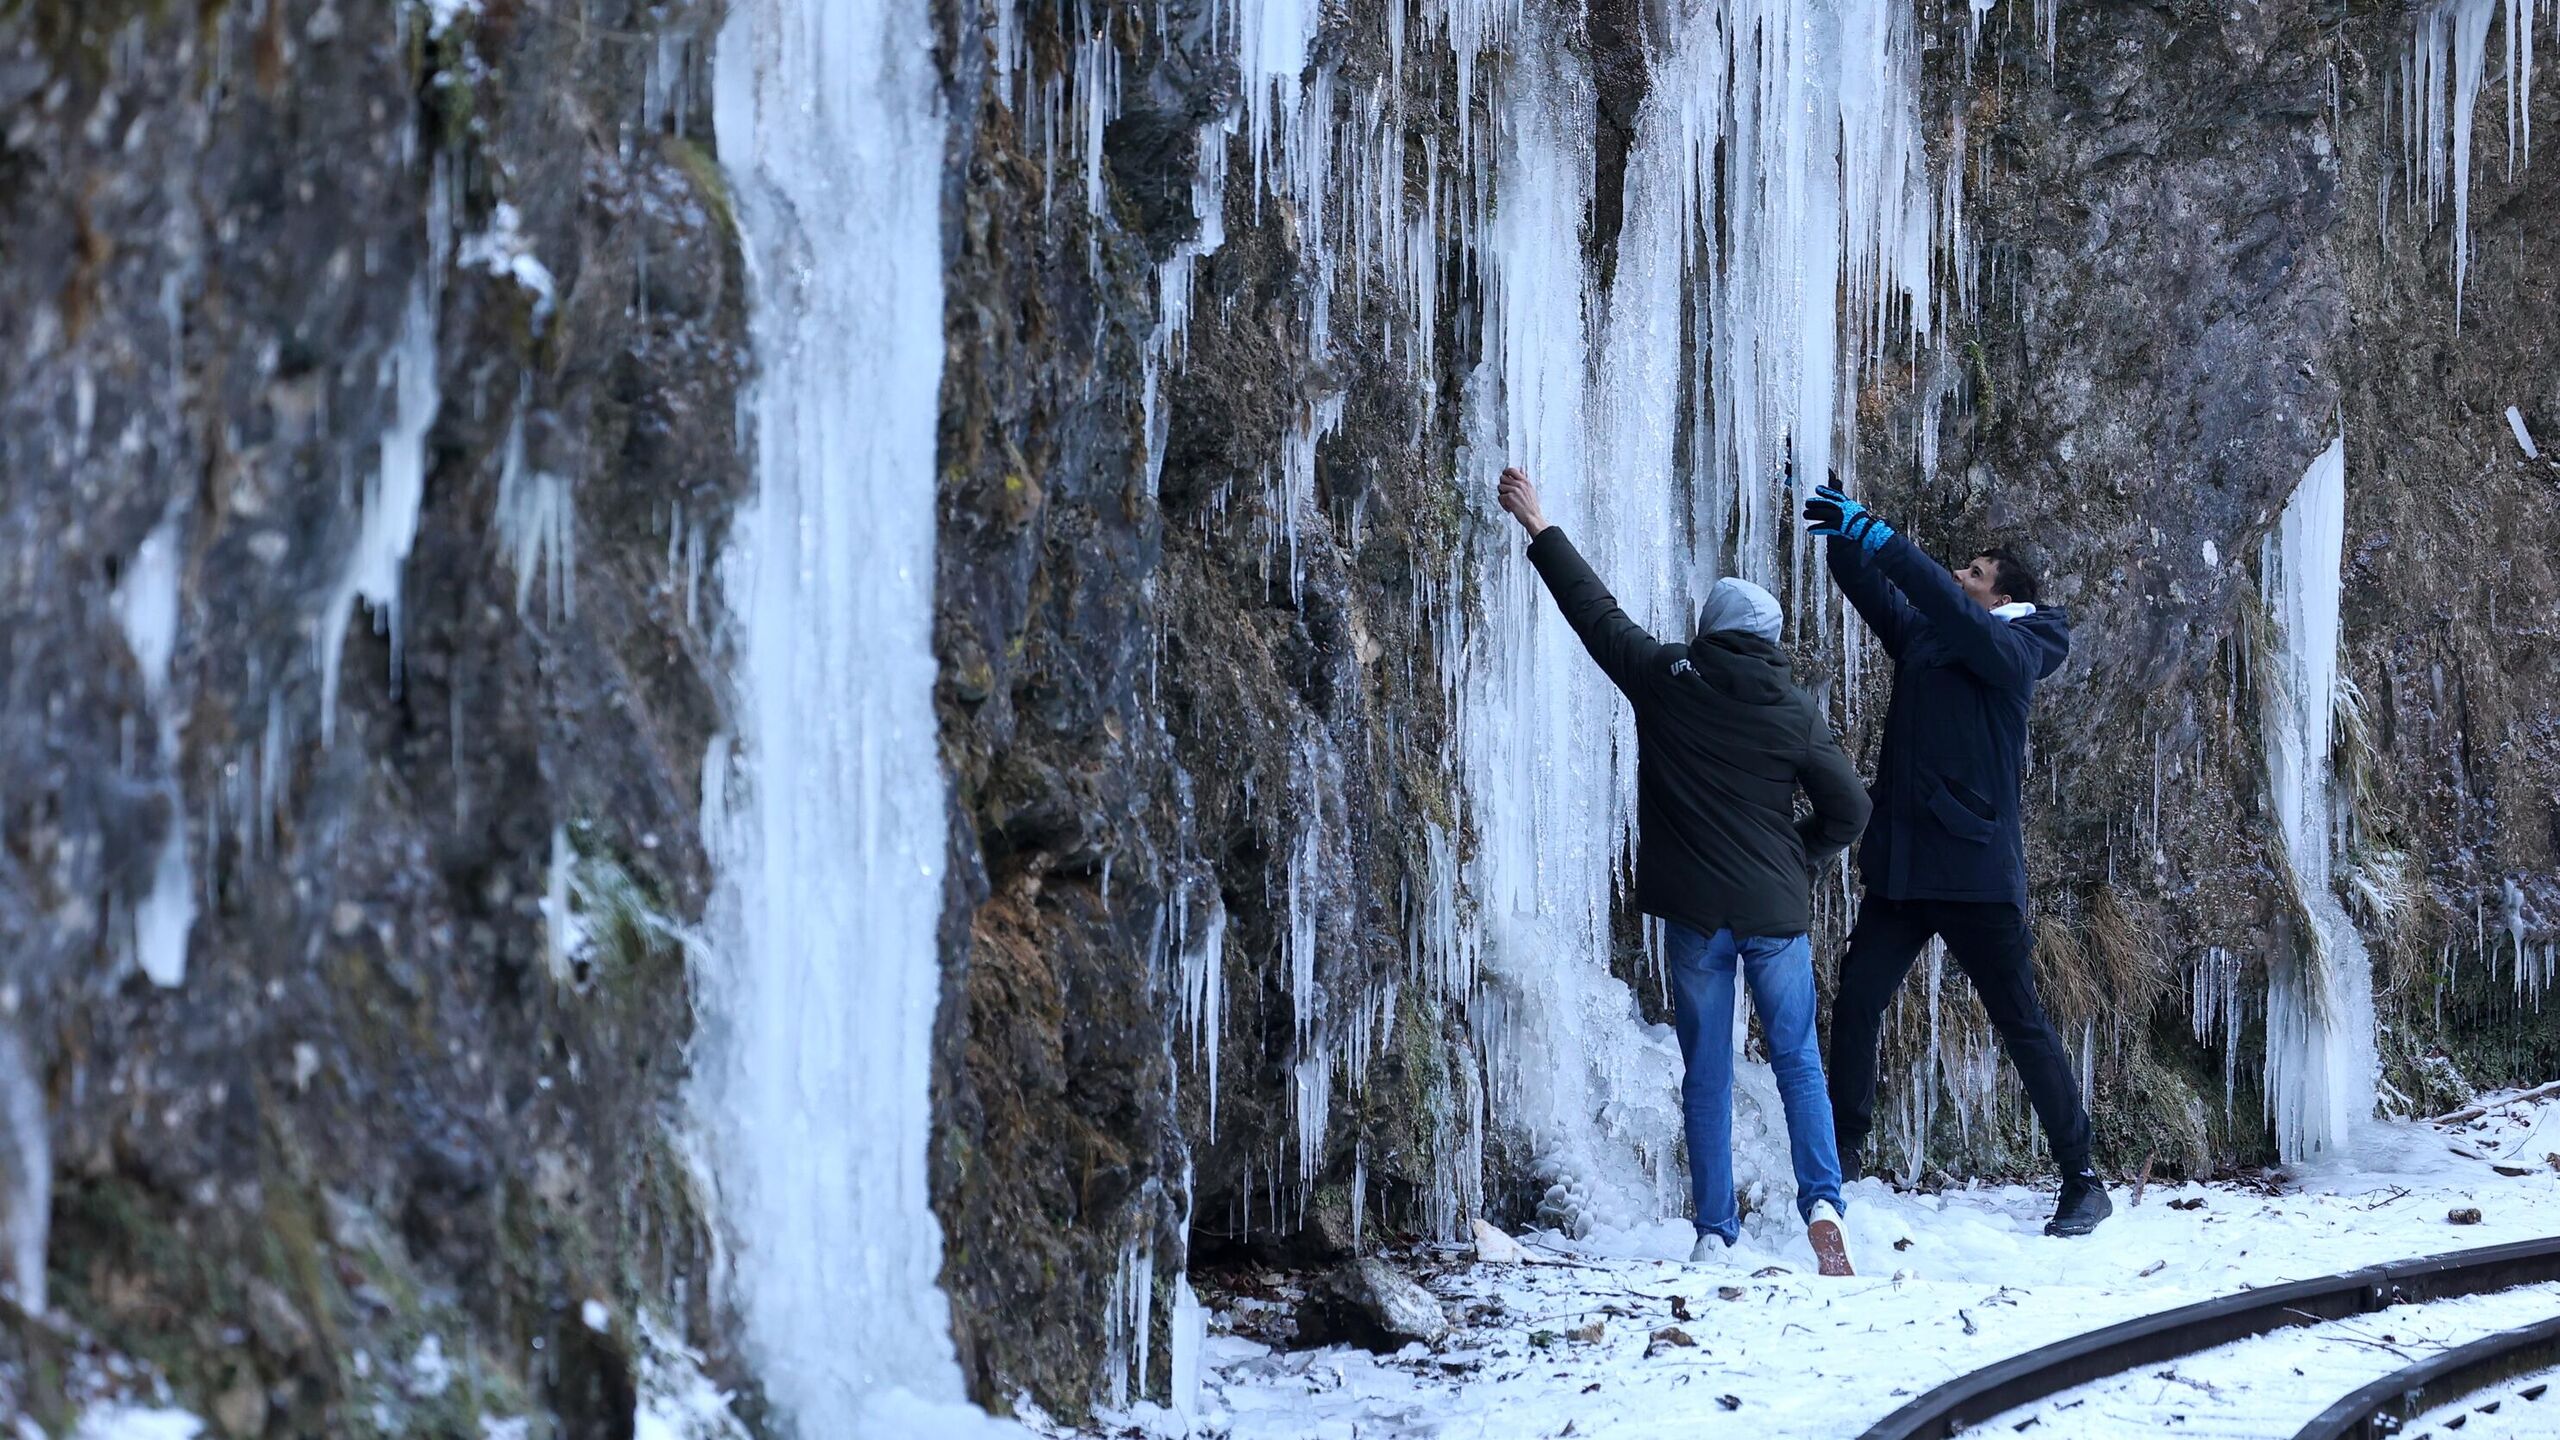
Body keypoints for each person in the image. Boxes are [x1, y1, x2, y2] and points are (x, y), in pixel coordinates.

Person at [1498, 466, 1872, 1275]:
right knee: (1799, 1059)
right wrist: (1797, 857)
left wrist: (1540, 525)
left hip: (1698, 916)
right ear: (1768, 640)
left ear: (1709, 626)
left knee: (1705, 1070)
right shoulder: (1796, 710)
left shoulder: (1667, 679)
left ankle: (1713, 1229)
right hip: (1776, 912)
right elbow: (1851, 811)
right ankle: (1824, 1204)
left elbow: (1594, 614)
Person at [1800, 479, 2111, 1237]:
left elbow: (1951, 611)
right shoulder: (1931, 633)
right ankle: (1840, 1151)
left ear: (2003, 592)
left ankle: (2083, 1177)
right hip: (1904, 871)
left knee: (2022, 1023)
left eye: (1972, 571)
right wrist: (1845, 533)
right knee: (1859, 998)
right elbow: (1876, 590)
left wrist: (1882, 536)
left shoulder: (2028, 642)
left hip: (1974, 875)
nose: (1959, 575)